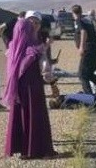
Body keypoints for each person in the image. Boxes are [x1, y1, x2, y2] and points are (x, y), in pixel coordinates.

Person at [3, 13, 57, 159]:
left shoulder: (13, 46)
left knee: (20, 116)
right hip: (32, 86)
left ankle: (23, 149)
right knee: (35, 115)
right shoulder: (32, 49)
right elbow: (42, 64)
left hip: (18, 88)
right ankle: (36, 150)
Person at [72, 4, 96, 96]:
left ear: (73, 13)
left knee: (82, 75)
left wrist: (81, 47)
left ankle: (89, 98)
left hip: (89, 51)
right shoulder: (87, 22)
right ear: (81, 11)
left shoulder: (79, 21)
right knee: (88, 73)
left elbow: (83, 32)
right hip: (95, 51)